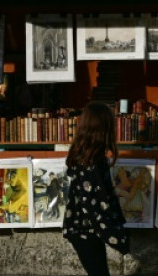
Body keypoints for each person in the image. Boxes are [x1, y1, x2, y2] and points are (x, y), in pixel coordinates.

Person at [63, 102, 139, 276]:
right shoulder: (91, 161)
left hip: (82, 228)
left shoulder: (85, 154)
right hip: (85, 229)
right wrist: (117, 236)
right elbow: (94, 204)